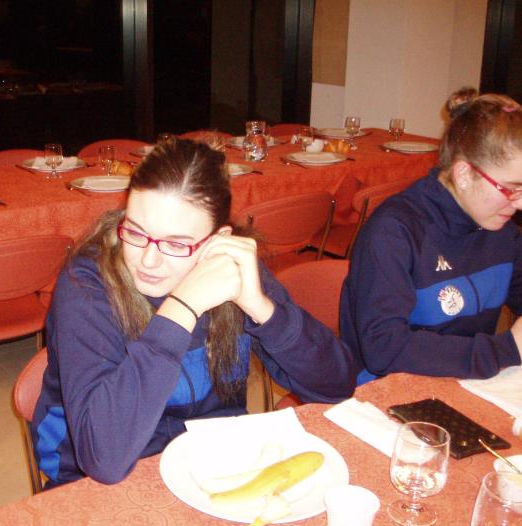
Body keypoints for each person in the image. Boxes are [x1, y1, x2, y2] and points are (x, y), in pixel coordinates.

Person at [32, 138, 355, 487]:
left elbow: (336, 386)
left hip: (213, 463)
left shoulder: (229, 266)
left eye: (176, 243)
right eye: (136, 232)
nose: (148, 260)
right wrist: (182, 308)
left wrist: (261, 308)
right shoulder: (86, 284)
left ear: (219, 239)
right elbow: (103, 459)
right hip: (98, 480)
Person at [341, 88, 522, 386]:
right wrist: (503, 350)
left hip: (466, 384)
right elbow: (383, 349)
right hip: (384, 390)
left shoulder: (503, 231)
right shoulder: (394, 231)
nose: (519, 203)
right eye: (511, 188)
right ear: (463, 175)